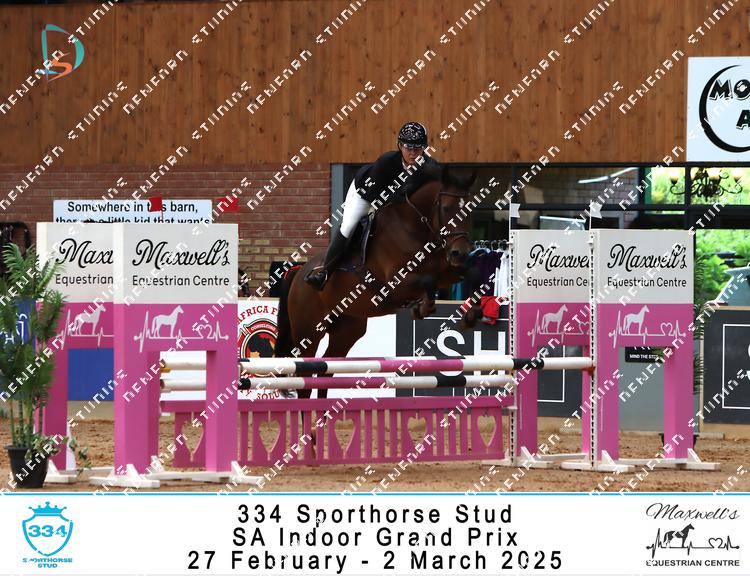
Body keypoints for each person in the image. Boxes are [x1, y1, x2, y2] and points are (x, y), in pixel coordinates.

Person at [304, 121, 441, 290]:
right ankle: (324, 273)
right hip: (365, 194)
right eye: (408, 148)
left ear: (424, 148)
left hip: (395, 200)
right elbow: (373, 194)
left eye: (417, 149)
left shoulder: (430, 168)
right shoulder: (387, 162)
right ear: (400, 146)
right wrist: (395, 198)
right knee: (348, 226)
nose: (413, 154)